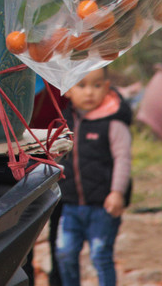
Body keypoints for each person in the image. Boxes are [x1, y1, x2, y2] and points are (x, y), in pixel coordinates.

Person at [55, 67, 133, 286]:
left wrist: (117, 192)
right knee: (64, 253)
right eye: (81, 85)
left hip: (103, 207)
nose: (89, 92)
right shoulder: (65, 122)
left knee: (100, 256)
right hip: (70, 206)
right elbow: (56, 156)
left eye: (97, 85)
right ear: (68, 90)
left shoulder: (114, 122)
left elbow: (123, 158)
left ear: (107, 87)